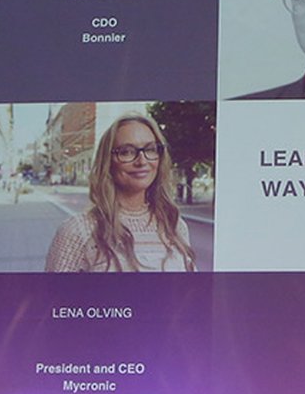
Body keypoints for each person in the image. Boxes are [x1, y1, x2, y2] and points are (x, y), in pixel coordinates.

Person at [44, 112, 196, 273]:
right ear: (107, 162)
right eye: (126, 152)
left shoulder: (175, 226)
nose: (142, 161)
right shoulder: (77, 231)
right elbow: (53, 290)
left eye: (150, 149)